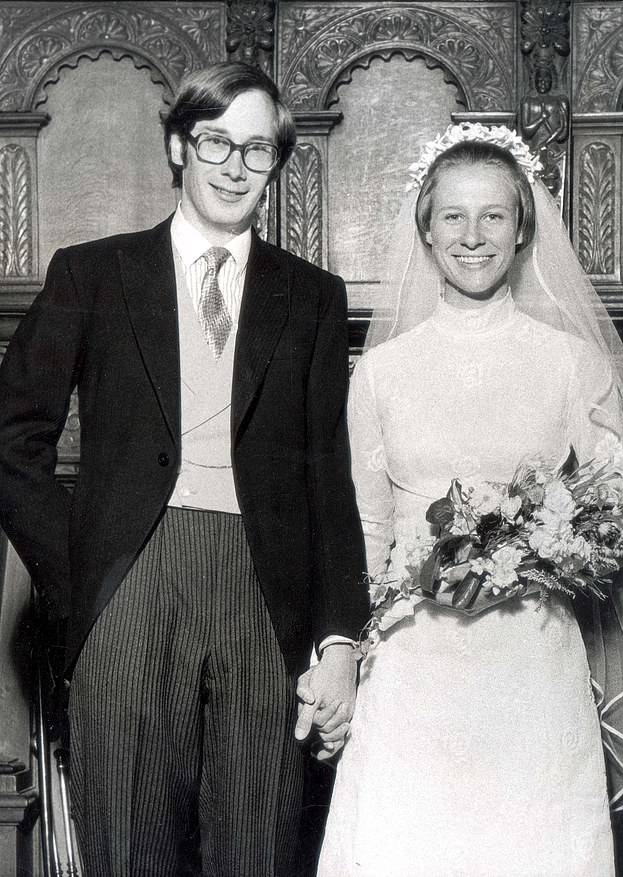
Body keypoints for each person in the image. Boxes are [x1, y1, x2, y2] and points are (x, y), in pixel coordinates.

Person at [0, 62, 368, 876]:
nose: (236, 167)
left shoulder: (312, 297)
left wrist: (338, 635)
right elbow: (11, 437)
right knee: (125, 847)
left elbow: (329, 476)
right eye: (216, 143)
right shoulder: (92, 274)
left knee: (257, 847)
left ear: (276, 163)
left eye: (258, 150)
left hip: (264, 593)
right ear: (178, 145)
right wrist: (81, 568)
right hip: (129, 580)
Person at [317, 124, 623, 876]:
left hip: (530, 658)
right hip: (413, 661)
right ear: (425, 229)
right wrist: (346, 657)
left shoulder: (570, 361)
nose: (472, 236)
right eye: (453, 216)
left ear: (523, 228)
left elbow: (619, 503)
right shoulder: (381, 372)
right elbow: (365, 527)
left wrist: (539, 548)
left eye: (493, 215)